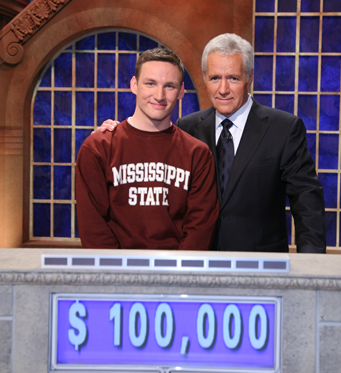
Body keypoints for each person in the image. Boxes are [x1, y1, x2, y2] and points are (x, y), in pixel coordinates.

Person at [97, 34, 326, 253]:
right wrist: (117, 134)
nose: (223, 89)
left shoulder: (283, 129)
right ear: (205, 78)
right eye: (215, 78)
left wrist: (312, 268)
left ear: (249, 77)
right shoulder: (186, 127)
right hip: (197, 264)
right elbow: (149, 158)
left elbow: (307, 205)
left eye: (233, 78)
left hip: (259, 266)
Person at [76, 47, 219, 250]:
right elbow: (93, 226)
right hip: (115, 275)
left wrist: (177, 275)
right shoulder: (98, 147)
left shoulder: (197, 154)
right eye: (150, 83)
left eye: (169, 86)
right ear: (134, 85)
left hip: (177, 274)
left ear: (181, 91)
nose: (159, 95)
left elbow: (200, 228)